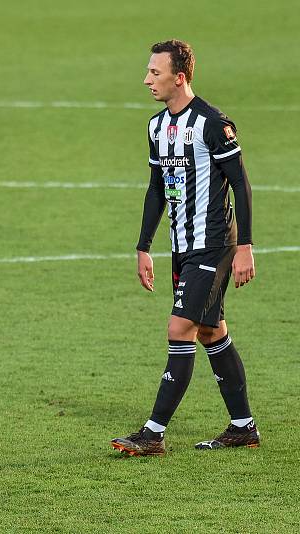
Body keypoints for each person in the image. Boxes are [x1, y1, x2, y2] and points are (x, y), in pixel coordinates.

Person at [111, 40, 259, 456]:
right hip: (182, 245)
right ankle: (243, 426)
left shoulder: (213, 123)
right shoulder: (156, 127)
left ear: (180, 77)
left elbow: (242, 187)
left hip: (214, 243)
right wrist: (143, 246)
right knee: (211, 331)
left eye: (154, 73)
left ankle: (153, 433)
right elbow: (157, 189)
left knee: (180, 328)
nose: (146, 80)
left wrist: (245, 246)